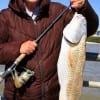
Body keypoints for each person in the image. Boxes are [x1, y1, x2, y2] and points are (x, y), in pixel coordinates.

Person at [0, 0, 99, 100]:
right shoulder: (5, 16)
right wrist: (18, 48)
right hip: (18, 96)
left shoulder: (58, 10)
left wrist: (84, 6)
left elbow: (88, 28)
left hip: (54, 95)